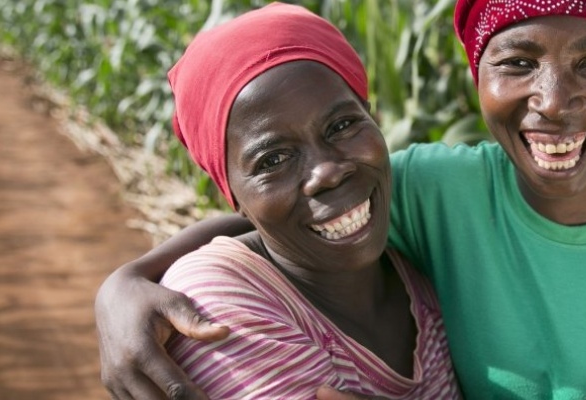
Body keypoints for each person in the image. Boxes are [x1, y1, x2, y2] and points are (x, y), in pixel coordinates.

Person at [96, 0, 586, 398]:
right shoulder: (441, 193)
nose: (553, 101)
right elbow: (286, 221)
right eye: (518, 63)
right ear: (477, 75)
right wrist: (124, 282)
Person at [139, 3, 460, 399]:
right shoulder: (215, 301)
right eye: (272, 159)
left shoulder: (421, 270)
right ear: (232, 193)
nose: (326, 172)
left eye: (342, 125)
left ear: (371, 114)